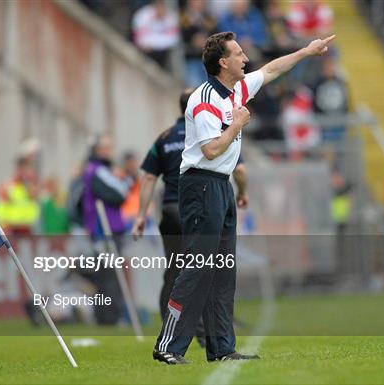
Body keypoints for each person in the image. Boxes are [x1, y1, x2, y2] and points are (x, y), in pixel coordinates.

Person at [151, 31, 335, 365]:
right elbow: (210, 150)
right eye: (238, 54)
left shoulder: (237, 88)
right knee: (197, 267)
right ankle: (168, 345)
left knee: (223, 270)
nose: (245, 58)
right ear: (223, 63)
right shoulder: (203, 99)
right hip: (201, 184)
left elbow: (272, 70)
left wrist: (307, 51)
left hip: (221, 186)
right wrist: (236, 124)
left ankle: (221, 348)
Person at [131, 88, 248, 346]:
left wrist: (141, 214)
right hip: (199, 206)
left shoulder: (165, 138)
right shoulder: (213, 128)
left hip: (171, 211)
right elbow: (238, 168)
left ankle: (170, 326)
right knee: (207, 267)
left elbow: (149, 177)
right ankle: (204, 331)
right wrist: (243, 192)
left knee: (174, 272)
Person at [81, 135, 133, 324]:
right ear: (97, 150)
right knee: (110, 275)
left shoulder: (96, 170)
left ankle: (105, 316)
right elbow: (119, 194)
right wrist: (127, 179)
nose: (110, 151)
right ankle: (110, 317)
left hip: (104, 229)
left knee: (106, 274)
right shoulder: (97, 170)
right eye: (106, 148)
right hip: (105, 230)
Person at [132, 0, 180, 69]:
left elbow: (173, 39)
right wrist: (150, 44)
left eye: (162, 7)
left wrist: (155, 45)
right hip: (145, 50)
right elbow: (138, 38)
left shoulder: (171, 17)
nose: (160, 10)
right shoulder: (143, 15)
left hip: (162, 51)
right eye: (158, 6)